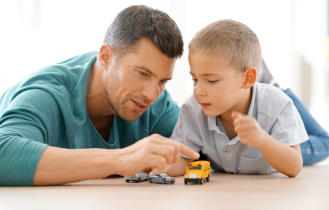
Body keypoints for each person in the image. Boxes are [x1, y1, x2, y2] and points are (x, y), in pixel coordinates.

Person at [0, 5, 199, 186]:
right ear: (105, 57)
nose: (151, 94)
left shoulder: (154, 102)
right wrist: (119, 160)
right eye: (142, 74)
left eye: (162, 81)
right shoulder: (46, 93)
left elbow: (197, 149)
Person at [169, 20, 308, 177]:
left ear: (247, 78)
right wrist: (157, 167)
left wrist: (262, 140)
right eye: (195, 79)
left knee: (315, 148)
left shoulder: (276, 104)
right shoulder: (193, 109)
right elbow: (184, 159)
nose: (198, 91)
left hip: (279, 155)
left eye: (212, 81)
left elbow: (294, 167)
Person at [257, 60, 329, 165]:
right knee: (325, 142)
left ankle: (284, 149)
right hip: (272, 90)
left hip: (275, 94)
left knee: (326, 142)